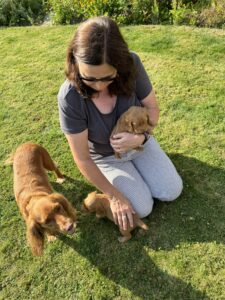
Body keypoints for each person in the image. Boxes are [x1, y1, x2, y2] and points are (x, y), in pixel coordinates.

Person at [58, 16, 183, 231]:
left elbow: (152, 109)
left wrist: (140, 138)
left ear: (121, 64)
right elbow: (83, 158)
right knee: (143, 209)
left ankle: (142, 170)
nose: (98, 85)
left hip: (140, 144)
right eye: (89, 78)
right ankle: (117, 185)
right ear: (75, 64)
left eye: (107, 77)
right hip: (106, 157)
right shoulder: (69, 97)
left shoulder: (132, 64)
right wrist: (113, 196)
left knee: (172, 191)